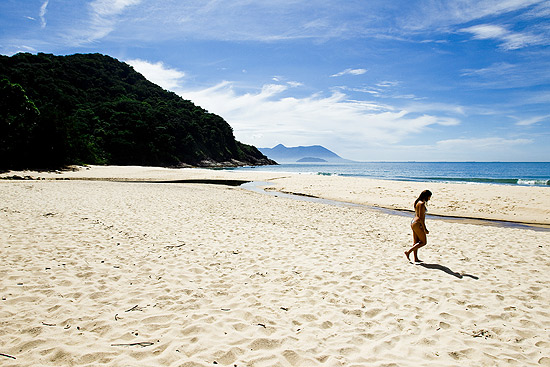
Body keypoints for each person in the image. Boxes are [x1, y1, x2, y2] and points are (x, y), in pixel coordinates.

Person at [405, 190, 432, 263]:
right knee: (423, 242)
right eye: (429, 197)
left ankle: (415, 258)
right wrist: (424, 228)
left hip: (413, 222)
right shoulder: (421, 204)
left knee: (416, 242)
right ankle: (408, 252)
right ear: (426, 196)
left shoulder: (417, 202)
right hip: (417, 223)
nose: (429, 199)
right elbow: (420, 218)